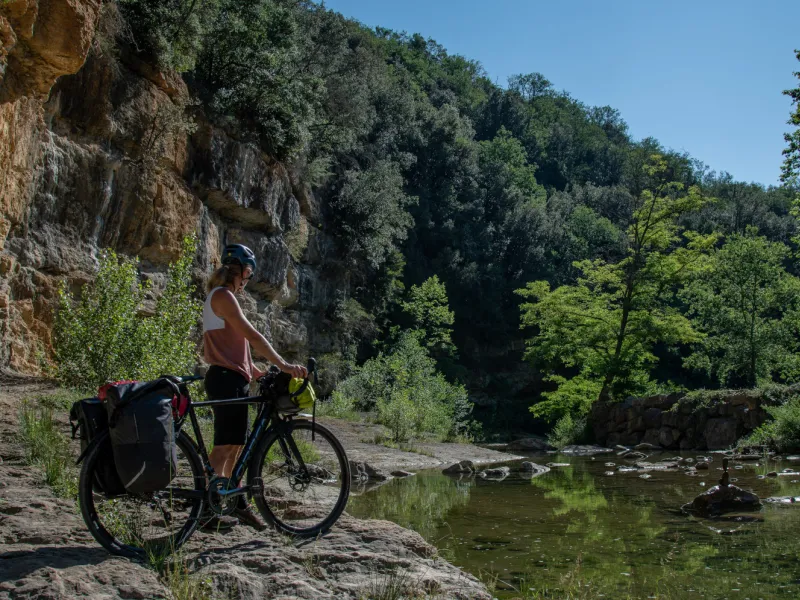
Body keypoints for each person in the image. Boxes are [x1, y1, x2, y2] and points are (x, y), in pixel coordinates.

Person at [202, 243, 307, 530]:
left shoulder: (222, 296)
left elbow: (233, 346)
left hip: (232, 377)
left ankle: (233, 502)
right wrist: (284, 364)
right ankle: (206, 505)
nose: (247, 281)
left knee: (236, 444)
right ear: (239, 270)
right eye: (248, 273)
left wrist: (258, 372)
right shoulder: (223, 296)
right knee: (225, 446)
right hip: (225, 379)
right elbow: (252, 335)